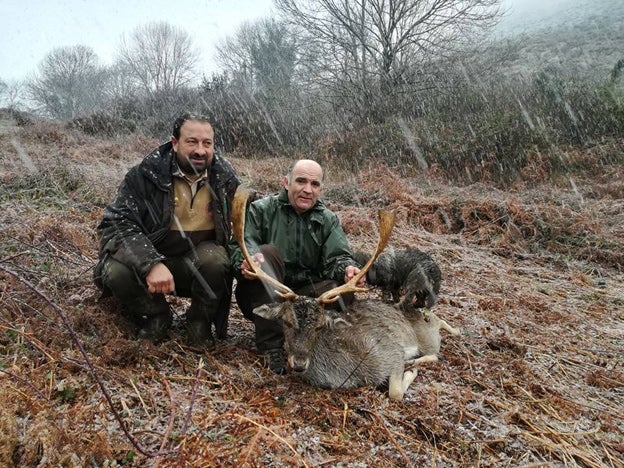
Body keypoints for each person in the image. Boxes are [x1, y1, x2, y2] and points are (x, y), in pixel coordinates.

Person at [94, 113, 241, 351]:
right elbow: (115, 223)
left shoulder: (225, 178)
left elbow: (247, 220)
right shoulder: (145, 175)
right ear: (175, 143)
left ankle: (199, 322)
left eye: (207, 143)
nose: (200, 151)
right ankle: (156, 315)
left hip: (194, 265)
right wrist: (150, 263)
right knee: (116, 271)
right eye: (191, 142)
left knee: (216, 260)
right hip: (150, 262)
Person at [229, 159, 363, 374]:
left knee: (339, 293)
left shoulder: (327, 220)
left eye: (314, 184)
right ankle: (271, 347)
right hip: (263, 295)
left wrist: (347, 269)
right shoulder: (261, 210)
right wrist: (245, 262)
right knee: (265, 254)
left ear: (320, 189)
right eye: (301, 181)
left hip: (305, 297)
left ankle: (307, 344)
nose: (307, 190)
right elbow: (240, 244)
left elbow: (338, 257)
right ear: (286, 182)